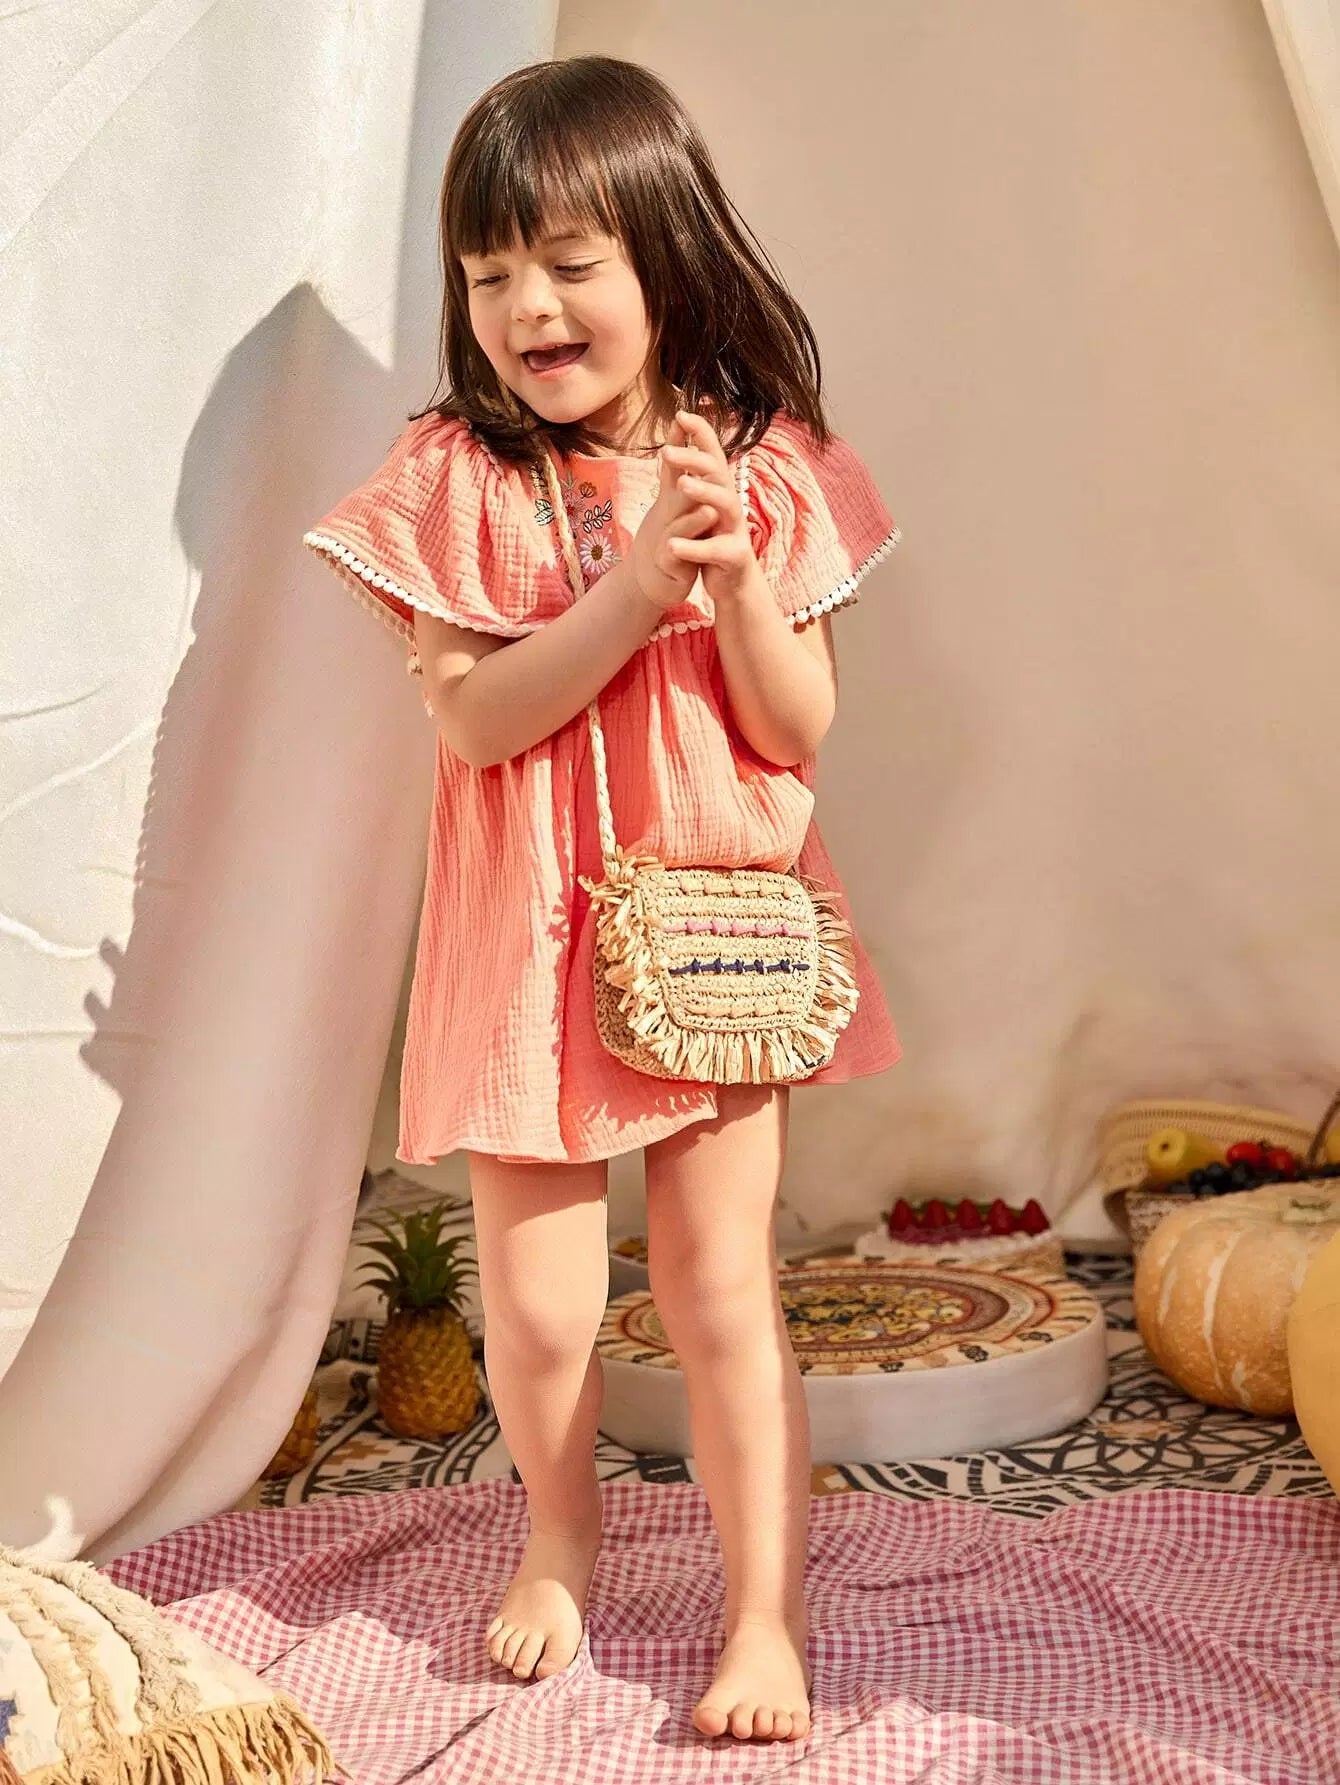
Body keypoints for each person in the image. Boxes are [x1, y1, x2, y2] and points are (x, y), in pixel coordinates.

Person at [303, 53, 903, 1745]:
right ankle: (559, 1536)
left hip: (715, 940)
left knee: (720, 1287)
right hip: (526, 944)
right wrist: (635, 592)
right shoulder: (458, 473)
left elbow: (796, 728)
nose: (527, 308)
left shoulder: (766, 465)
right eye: (489, 272)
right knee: (546, 1303)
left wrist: (733, 587)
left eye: (569, 263)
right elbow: (478, 719)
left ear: (665, 252)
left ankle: (764, 1609)